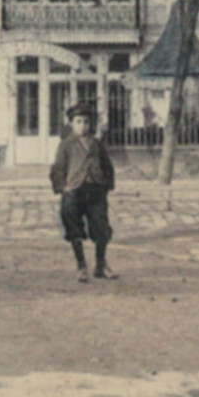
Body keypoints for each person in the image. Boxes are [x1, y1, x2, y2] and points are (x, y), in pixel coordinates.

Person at [50, 102, 117, 281]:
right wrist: (62, 188)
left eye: (86, 122)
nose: (83, 125)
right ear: (72, 124)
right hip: (74, 190)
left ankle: (100, 265)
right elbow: (58, 168)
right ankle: (81, 265)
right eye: (78, 121)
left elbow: (106, 165)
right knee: (74, 227)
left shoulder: (96, 144)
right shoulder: (66, 145)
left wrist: (106, 185)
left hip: (95, 190)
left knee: (101, 226)